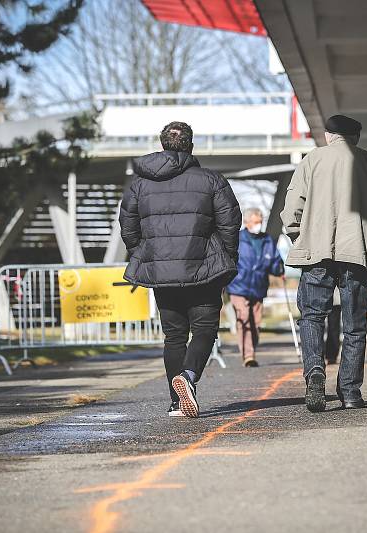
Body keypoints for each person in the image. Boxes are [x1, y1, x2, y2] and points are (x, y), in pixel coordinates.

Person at [119, 121, 241, 418]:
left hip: (162, 270)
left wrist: (146, 255)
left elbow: (128, 227)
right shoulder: (211, 180)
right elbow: (230, 223)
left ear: (163, 145)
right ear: (190, 145)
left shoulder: (139, 184)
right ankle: (188, 376)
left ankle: (176, 402)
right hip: (203, 267)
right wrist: (226, 260)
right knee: (204, 329)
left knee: (174, 336)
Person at [280, 114, 367, 412]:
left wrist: (302, 238)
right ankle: (350, 392)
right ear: (355, 138)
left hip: (316, 254)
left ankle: (315, 373)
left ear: (328, 136)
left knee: (312, 317)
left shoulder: (311, 160)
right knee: (354, 325)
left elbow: (291, 211)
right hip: (356, 254)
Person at [226, 207, 285, 367]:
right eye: (256, 222)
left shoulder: (266, 240)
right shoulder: (237, 239)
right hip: (239, 286)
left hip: (258, 287)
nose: (259, 225)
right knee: (243, 317)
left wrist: (279, 268)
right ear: (246, 222)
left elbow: (274, 261)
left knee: (256, 323)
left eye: (260, 222)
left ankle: (251, 348)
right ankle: (248, 355)